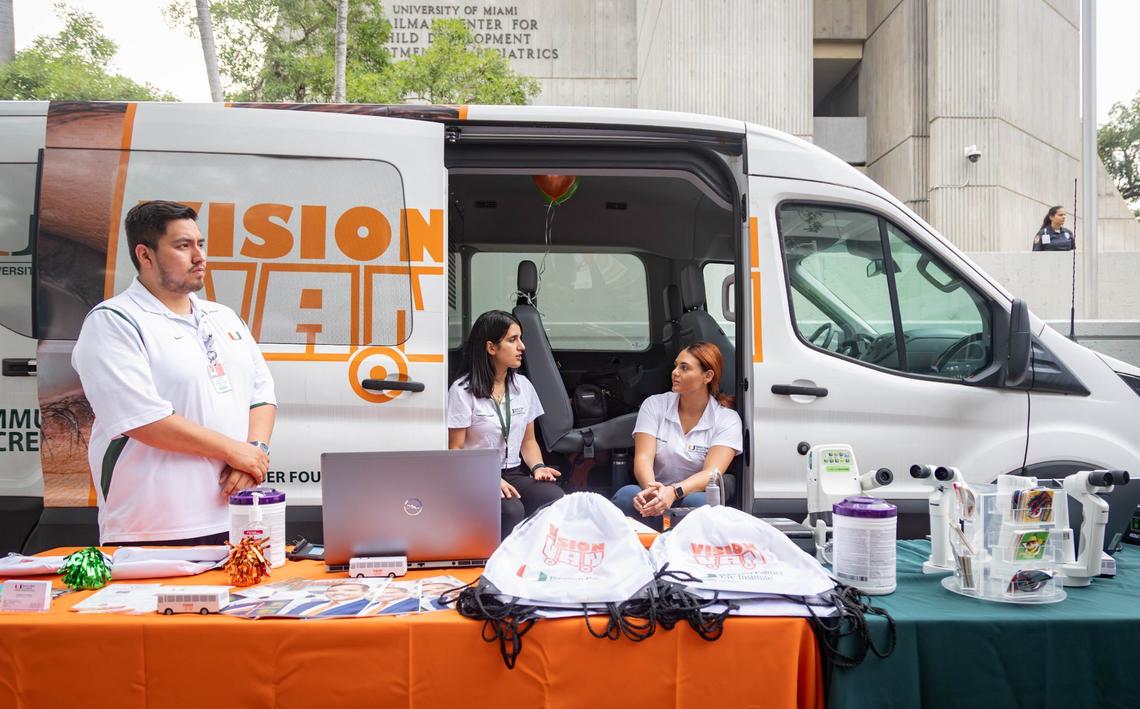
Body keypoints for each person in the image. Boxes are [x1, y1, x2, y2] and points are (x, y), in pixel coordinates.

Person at [72, 200, 276, 546]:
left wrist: (252, 453)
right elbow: (142, 418)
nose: (199, 256)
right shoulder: (114, 321)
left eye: (201, 244)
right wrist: (232, 451)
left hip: (235, 517)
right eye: (183, 246)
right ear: (145, 255)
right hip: (155, 527)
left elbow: (261, 393)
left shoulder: (223, 316)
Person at [448, 310, 564, 539]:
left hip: (513, 471)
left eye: (520, 338)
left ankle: (534, 560)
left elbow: (529, 441)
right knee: (512, 509)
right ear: (491, 348)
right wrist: (489, 479)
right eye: (513, 340)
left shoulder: (523, 386)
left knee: (554, 498)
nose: (522, 347)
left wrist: (538, 468)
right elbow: (455, 451)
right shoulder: (462, 391)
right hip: (476, 476)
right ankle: (498, 568)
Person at [611, 342, 742, 531]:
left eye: (684, 367)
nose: (675, 372)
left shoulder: (726, 418)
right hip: (655, 488)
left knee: (701, 503)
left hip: (689, 494)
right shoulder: (654, 405)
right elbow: (643, 457)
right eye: (676, 365)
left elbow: (711, 474)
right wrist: (653, 491)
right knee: (627, 495)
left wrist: (674, 492)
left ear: (707, 376)